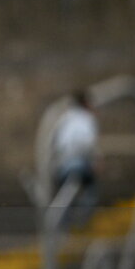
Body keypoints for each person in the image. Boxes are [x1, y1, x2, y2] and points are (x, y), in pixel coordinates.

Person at [51, 90, 99, 223]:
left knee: (66, 195)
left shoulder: (65, 117)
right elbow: (86, 143)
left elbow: (57, 143)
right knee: (90, 187)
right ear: (86, 103)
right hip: (78, 164)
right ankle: (84, 220)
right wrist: (95, 162)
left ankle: (64, 224)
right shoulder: (86, 119)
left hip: (61, 165)